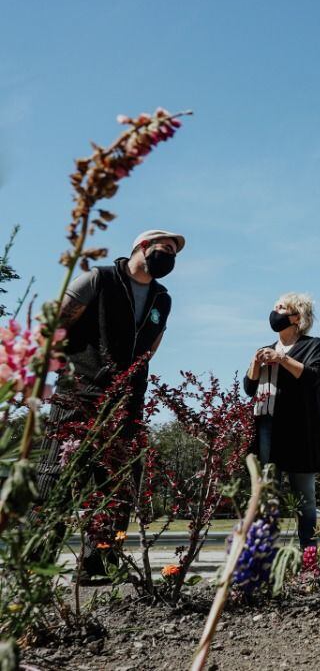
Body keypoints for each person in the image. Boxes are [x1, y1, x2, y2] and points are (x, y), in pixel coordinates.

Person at [37, 229, 184, 578]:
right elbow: (56, 326)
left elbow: (152, 345)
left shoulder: (162, 299)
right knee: (56, 477)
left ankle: (98, 563)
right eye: (164, 249)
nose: (169, 258)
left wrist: (133, 377)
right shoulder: (99, 279)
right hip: (79, 393)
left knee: (115, 485)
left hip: (126, 401)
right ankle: (36, 562)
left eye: (174, 255)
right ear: (142, 247)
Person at [242, 293, 320, 548]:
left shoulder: (313, 346)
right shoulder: (264, 349)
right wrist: (256, 363)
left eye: (282, 308)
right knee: (269, 494)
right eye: (274, 307)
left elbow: (312, 377)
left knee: (305, 497)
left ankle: (308, 554)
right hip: (269, 429)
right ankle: (266, 554)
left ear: (297, 317)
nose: (275, 312)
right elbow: (249, 388)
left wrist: (282, 359)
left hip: (300, 431)